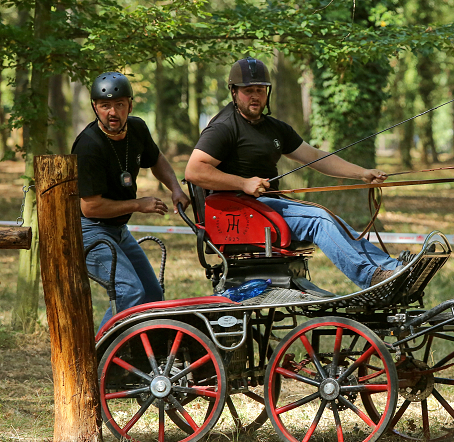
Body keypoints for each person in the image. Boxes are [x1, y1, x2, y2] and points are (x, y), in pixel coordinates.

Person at [184, 57, 403, 290]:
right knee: (318, 220)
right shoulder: (224, 127)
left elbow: (314, 156)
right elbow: (194, 170)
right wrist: (243, 183)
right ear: (234, 92)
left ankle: (391, 269)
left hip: (264, 208)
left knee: (327, 217)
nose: (255, 96)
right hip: (239, 214)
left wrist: (361, 173)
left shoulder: (274, 128)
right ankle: (371, 277)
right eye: (248, 90)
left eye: (260, 90)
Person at [72, 71, 190, 329]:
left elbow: (156, 159)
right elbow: (90, 206)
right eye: (105, 106)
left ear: (130, 105)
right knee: (129, 293)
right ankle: (99, 358)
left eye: (119, 105)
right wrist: (138, 204)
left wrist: (175, 189)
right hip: (89, 231)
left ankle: (136, 358)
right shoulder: (89, 146)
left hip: (117, 230)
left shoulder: (137, 128)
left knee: (151, 295)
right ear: (95, 107)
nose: (112, 112)